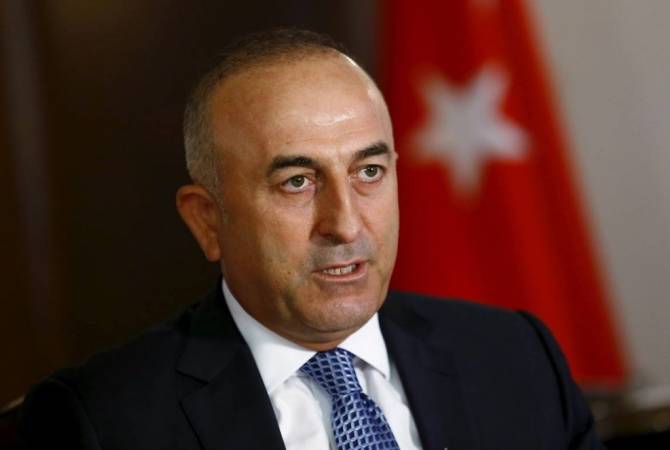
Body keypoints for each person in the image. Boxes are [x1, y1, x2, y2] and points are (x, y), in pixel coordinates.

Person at [19, 28, 604, 450]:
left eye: (368, 171)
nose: (346, 224)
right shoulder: (103, 421)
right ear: (207, 220)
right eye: (297, 182)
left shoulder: (516, 357)